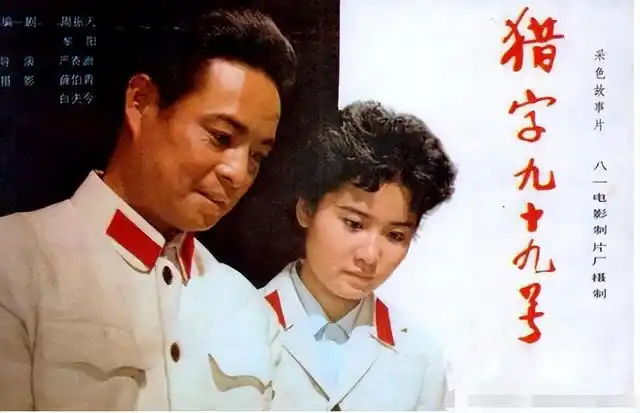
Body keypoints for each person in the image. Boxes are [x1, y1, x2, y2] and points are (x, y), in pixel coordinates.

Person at [0, 8, 296, 411]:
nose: (239, 172)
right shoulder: (15, 259)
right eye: (221, 136)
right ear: (141, 103)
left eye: (258, 155)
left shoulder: (247, 307)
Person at [261, 100, 457, 410]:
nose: (370, 255)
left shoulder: (420, 356)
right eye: (353, 224)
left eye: (395, 235)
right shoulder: (237, 319)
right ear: (306, 209)